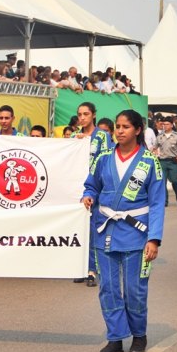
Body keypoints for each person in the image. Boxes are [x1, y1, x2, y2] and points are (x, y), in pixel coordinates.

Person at [82, 109, 165, 352]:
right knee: (107, 288)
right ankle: (115, 337)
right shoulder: (104, 159)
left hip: (136, 233)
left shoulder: (150, 162)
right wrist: (88, 196)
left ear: (137, 130)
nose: (119, 131)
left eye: (125, 127)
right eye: (117, 126)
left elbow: (158, 202)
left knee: (134, 289)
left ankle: (139, 335)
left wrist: (154, 238)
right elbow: (92, 185)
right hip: (105, 229)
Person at [72, 102, 113, 286]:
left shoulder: (103, 136)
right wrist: (76, 143)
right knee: (78, 230)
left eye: (86, 114)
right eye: (79, 114)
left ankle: (92, 269)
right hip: (74, 187)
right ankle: (79, 267)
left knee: (93, 229)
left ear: (93, 115)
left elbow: (105, 160)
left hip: (95, 187)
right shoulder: (74, 136)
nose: (82, 118)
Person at [154, 116, 177, 206]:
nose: (165, 126)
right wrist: (154, 152)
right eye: (164, 124)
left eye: (167, 124)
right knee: (162, 182)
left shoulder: (176, 136)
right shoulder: (160, 136)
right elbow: (155, 146)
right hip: (162, 161)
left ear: (171, 125)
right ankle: (165, 201)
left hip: (173, 161)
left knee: (174, 180)